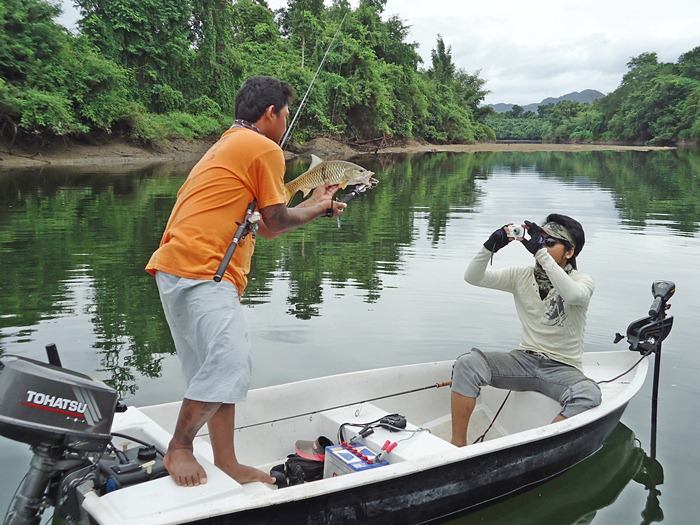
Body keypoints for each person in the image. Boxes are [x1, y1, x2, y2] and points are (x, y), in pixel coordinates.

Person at [146, 76, 346, 487]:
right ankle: (180, 447)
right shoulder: (263, 147)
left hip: (178, 267)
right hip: (203, 270)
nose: (287, 122)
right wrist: (320, 209)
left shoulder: (231, 143)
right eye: (285, 114)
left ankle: (227, 462)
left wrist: (313, 204)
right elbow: (275, 220)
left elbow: (269, 227)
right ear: (269, 112)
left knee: (212, 369)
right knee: (228, 363)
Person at [450, 214, 601, 447]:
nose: (542, 247)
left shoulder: (582, 280)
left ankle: (536, 447)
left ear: (569, 252)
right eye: (540, 239)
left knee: (588, 394)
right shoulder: (520, 275)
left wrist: (539, 252)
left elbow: (573, 295)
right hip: (524, 360)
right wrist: (489, 247)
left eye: (550, 243)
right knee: (467, 364)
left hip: (562, 368)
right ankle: (457, 446)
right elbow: (473, 277)